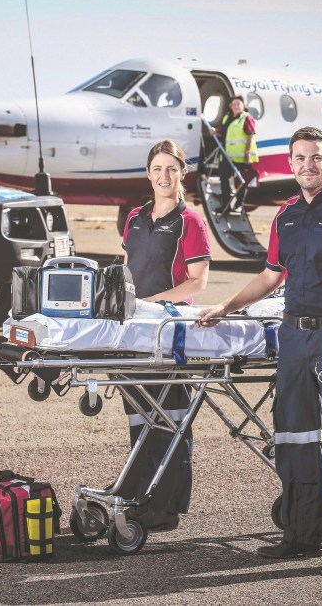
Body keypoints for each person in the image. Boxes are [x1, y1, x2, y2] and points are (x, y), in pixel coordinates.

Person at [198, 126, 322, 573]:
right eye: (300, 157)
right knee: (294, 438)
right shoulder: (284, 215)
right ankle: (301, 536)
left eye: (316, 157)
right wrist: (225, 306)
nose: (308, 164)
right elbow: (270, 277)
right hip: (294, 338)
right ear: (290, 164)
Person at [117, 138, 211, 531]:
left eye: (171, 169)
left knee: (170, 419)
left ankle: (167, 505)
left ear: (182, 174)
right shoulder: (135, 217)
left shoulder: (190, 222)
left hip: (169, 330)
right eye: (157, 169)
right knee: (140, 416)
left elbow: (197, 283)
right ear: (148, 174)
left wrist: (153, 301)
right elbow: (126, 267)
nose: (163, 176)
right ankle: (138, 490)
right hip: (135, 329)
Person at [212, 95, 258, 214]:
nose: (236, 106)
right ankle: (226, 206)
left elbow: (250, 135)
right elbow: (224, 133)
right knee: (224, 180)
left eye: (239, 104)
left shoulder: (247, 118)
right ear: (231, 106)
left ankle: (238, 205)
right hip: (227, 156)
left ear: (243, 106)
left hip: (242, 158)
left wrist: (247, 153)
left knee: (241, 182)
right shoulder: (227, 117)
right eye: (234, 104)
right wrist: (215, 131)